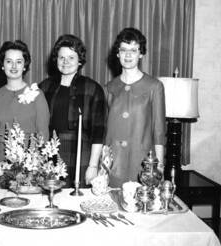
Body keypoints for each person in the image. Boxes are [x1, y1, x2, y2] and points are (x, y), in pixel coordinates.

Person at [86, 27, 166, 188]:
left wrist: (159, 166)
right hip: (113, 165)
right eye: (123, 50)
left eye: (133, 50)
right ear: (117, 54)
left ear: (141, 53)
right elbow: (101, 132)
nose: (128, 55)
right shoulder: (108, 88)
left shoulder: (154, 86)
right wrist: (94, 166)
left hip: (142, 164)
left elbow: (159, 131)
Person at [39, 34, 106, 188]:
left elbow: (99, 132)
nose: (66, 62)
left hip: (81, 155)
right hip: (49, 154)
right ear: (56, 60)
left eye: (71, 58)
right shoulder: (43, 87)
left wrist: (93, 166)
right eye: (61, 57)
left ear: (80, 60)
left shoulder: (93, 89)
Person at [0, 40, 50, 164]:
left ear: (25, 65)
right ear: (2, 65)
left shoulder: (37, 95)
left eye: (19, 62)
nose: (14, 66)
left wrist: (37, 163)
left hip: (31, 162)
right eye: (9, 61)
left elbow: (43, 134)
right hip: (1, 164)